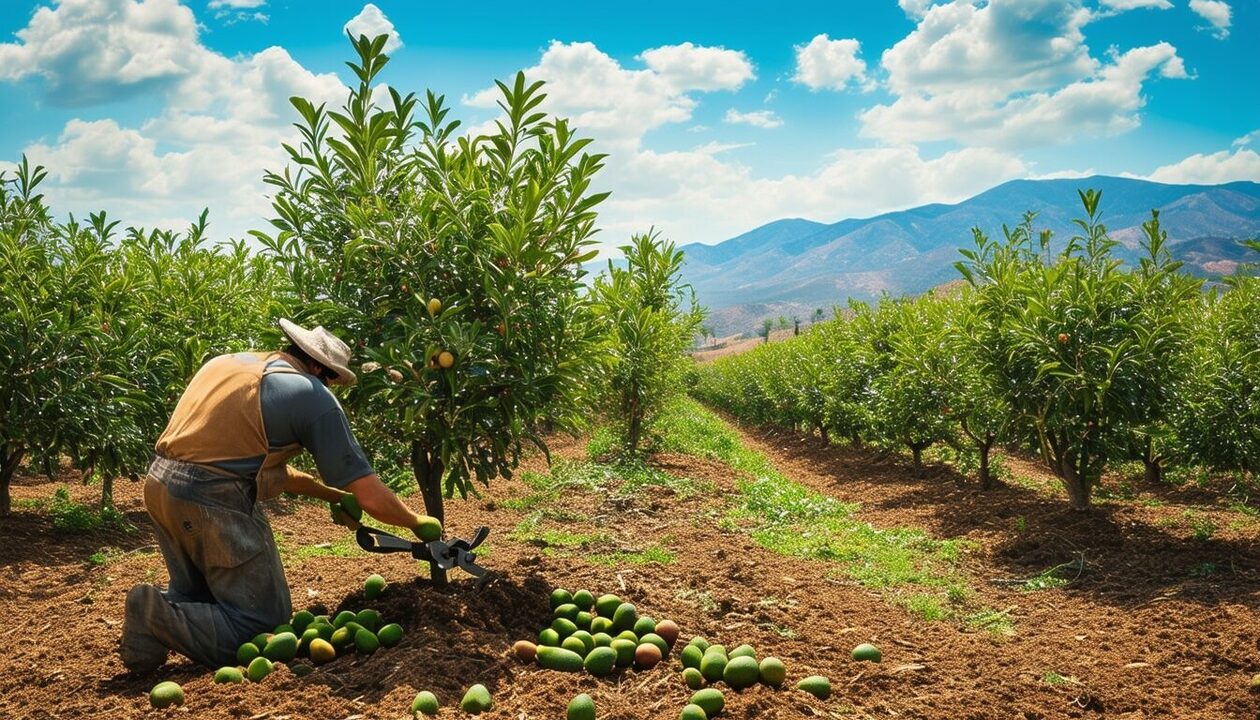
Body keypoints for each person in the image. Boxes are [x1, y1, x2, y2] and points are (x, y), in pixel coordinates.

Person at [119, 318, 440, 673]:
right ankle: (152, 614)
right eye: (330, 378)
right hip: (212, 500)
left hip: (161, 485)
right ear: (318, 366)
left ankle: (154, 627)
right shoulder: (312, 395)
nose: (328, 386)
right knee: (261, 625)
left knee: (199, 593)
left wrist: (331, 496)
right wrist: (415, 522)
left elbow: (272, 472)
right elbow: (369, 495)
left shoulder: (230, 365)